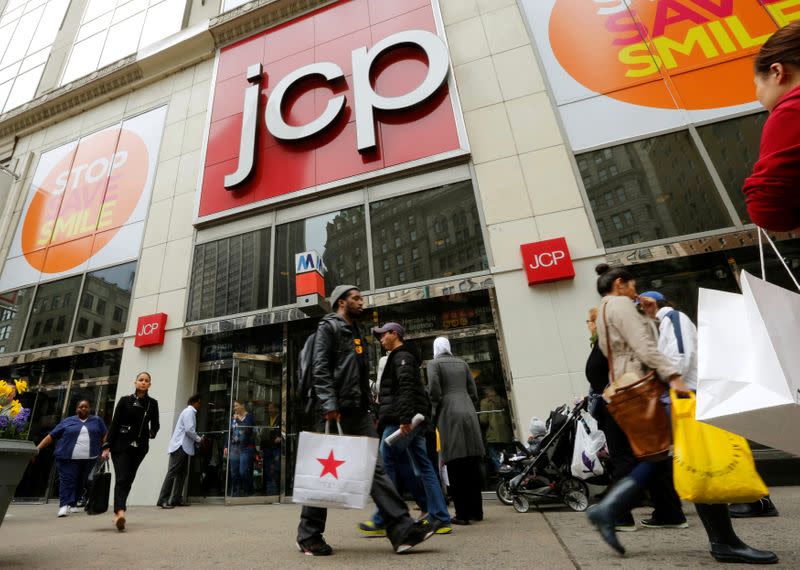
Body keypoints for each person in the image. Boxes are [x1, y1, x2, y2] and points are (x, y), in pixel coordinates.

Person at [587, 264, 777, 564]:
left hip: (641, 392)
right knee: (696, 457)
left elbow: (625, 350)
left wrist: (647, 319)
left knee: (662, 457)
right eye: (634, 287)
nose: (636, 294)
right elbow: (650, 349)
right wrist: (673, 378)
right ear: (620, 283)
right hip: (669, 391)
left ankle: (610, 509)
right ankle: (724, 541)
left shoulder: (606, 311)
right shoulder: (624, 305)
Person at [296, 284, 434, 556]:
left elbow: (357, 376)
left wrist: (369, 407)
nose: (362, 302)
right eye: (356, 298)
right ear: (341, 303)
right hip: (334, 410)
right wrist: (329, 403)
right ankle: (309, 535)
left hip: (357, 411)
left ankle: (402, 529)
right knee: (323, 470)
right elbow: (321, 367)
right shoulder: (329, 327)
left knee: (375, 466)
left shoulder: (356, 331)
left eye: (361, 298)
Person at [638, 291, 780, 521]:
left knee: (717, 448)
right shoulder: (665, 324)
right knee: (710, 450)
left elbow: (680, 359)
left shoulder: (673, 319)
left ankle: (757, 501)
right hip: (690, 394)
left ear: (649, 306)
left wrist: (657, 379)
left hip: (693, 394)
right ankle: (741, 499)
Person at [360, 323, 452, 536]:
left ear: (395, 334)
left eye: (383, 335)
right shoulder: (401, 356)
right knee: (424, 466)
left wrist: (403, 420)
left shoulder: (402, 357)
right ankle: (440, 517)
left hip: (401, 419)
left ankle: (385, 517)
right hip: (411, 419)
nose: (380, 339)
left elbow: (406, 387)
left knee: (385, 463)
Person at [743, 20, 800, 232]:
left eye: (757, 85)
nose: (758, 97)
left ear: (776, 71)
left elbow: (766, 209)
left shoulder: (791, 110)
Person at [427, 336, 485, 525]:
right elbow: (473, 391)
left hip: (449, 412)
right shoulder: (463, 363)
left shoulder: (434, 364)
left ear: (435, 348)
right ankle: (477, 511)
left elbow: (434, 390)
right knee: (472, 463)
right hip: (468, 409)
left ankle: (462, 514)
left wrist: (434, 409)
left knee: (455, 462)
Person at [101, 372, 160, 532]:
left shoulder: (152, 404)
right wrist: (106, 446)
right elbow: (114, 424)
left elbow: (156, 425)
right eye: (141, 380)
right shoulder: (124, 401)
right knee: (122, 477)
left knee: (129, 479)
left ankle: (117, 512)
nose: (143, 382)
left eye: (147, 381)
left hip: (140, 448)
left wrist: (151, 433)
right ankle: (120, 512)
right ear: (135, 382)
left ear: (150, 385)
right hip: (120, 445)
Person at [35, 399, 107, 518]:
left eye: (86, 407)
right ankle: (63, 506)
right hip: (67, 458)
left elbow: (105, 435)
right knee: (67, 480)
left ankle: (72, 504)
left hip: (89, 458)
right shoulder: (67, 421)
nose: (83, 409)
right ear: (76, 409)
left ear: (90, 409)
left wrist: (105, 449)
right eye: (81, 407)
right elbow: (51, 436)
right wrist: (38, 448)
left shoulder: (97, 421)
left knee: (81, 480)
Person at [157, 394, 203, 508]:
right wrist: (198, 439)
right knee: (172, 472)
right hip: (180, 446)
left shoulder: (189, 412)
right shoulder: (189, 412)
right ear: (195, 402)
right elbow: (189, 429)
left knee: (182, 474)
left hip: (183, 447)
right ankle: (163, 499)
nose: (200, 405)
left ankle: (176, 499)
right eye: (200, 403)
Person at [224, 400, 256, 497]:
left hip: (246, 448)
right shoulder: (233, 418)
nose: (235, 408)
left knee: (243, 471)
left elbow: (247, 429)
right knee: (234, 472)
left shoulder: (249, 417)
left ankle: (248, 491)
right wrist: (226, 445)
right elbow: (230, 432)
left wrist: (238, 420)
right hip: (234, 447)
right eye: (234, 406)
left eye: (236, 406)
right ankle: (236, 492)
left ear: (243, 405)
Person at [479, 385, 512, 474]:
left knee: (495, 457)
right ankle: (511, 475)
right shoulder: (503, 401)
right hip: (506, 434)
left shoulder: (485, 402)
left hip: (493, 435)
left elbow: (483, 420)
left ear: (486, 392)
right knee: (507, 457)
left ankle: (503, 476)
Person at [260, 401, 281, 495]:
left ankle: (276, 489)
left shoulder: (281, 418)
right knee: (267, 468)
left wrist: (281, 437)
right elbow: (263, 432)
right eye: (269, 408)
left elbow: (285, 430)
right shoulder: (266, 419)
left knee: (276, 468)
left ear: (277, 409)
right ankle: (268, 490)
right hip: (267, 447)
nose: (269, 410)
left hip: (277, 447)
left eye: (271, 408)